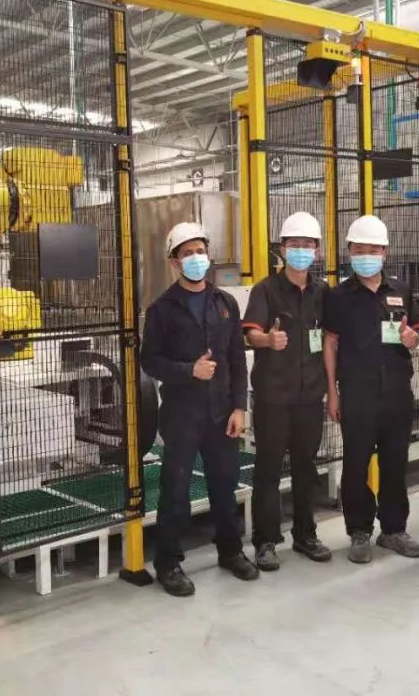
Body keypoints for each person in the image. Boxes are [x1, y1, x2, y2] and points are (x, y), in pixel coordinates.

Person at [140, 221, 259, 597]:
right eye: (187, 253)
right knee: (175, 489)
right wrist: (188, 371)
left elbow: (237, 359)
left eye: (200, 251)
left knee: (225, 485)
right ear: (174, 262)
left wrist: (239, 407)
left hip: (222, 412)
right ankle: (168, 563)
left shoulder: (225, 304)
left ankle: (230, 551)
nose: (196, 258)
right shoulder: (161, 310)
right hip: (182, 413)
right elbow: (149, 361)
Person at [323, 215, 419, 564]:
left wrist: (412, 339)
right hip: (357, 394)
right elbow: (330, 343)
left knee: (396, 464)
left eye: (373, 250)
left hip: (397, 392)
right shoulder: (338, 296)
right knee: (355, 464)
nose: (366, 256)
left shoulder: (400, 290)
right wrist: (333, 392)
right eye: (359, 250)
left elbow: (415, 334)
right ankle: (359, 530)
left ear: (385, 252)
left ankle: (394, 530)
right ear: (349, 252)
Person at [242, 211, 333, 572]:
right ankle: (265, 541)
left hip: (310, 397)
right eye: (294, 244)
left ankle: (305, 535)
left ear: (317, 250)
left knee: (305, 468)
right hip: (273, 397)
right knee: (268, 469)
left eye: (307, 245)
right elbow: (251, 334)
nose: (301, 250)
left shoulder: (323, 292)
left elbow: (332, 337)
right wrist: (267, 339)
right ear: (282, 249)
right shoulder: (265, 290)